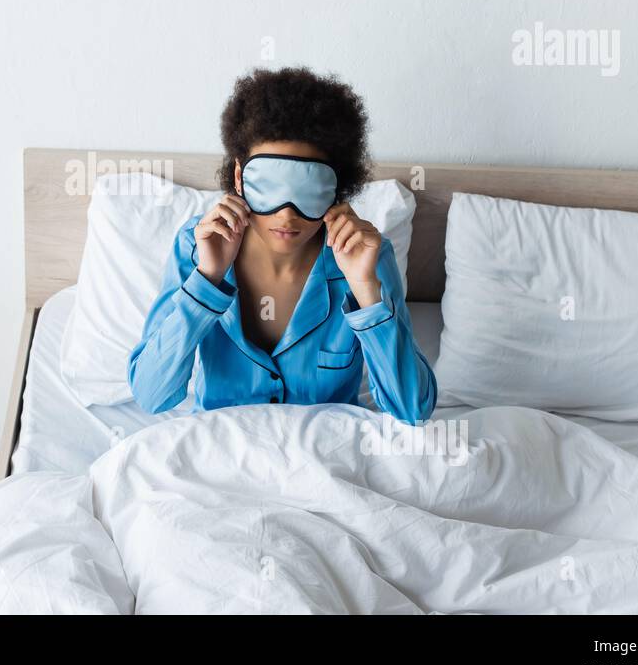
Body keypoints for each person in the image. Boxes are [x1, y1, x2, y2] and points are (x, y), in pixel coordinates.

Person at [127, 66, 436, 424]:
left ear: (337, 187)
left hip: (325, 461)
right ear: (240, 177)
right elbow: (151, 395)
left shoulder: (365, 256)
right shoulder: (197, 246)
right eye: (270, 186)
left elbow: (413, 411)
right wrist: (207, 279)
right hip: (221, 455)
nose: (287, 215)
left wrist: (366, 290)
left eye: (306, 189)